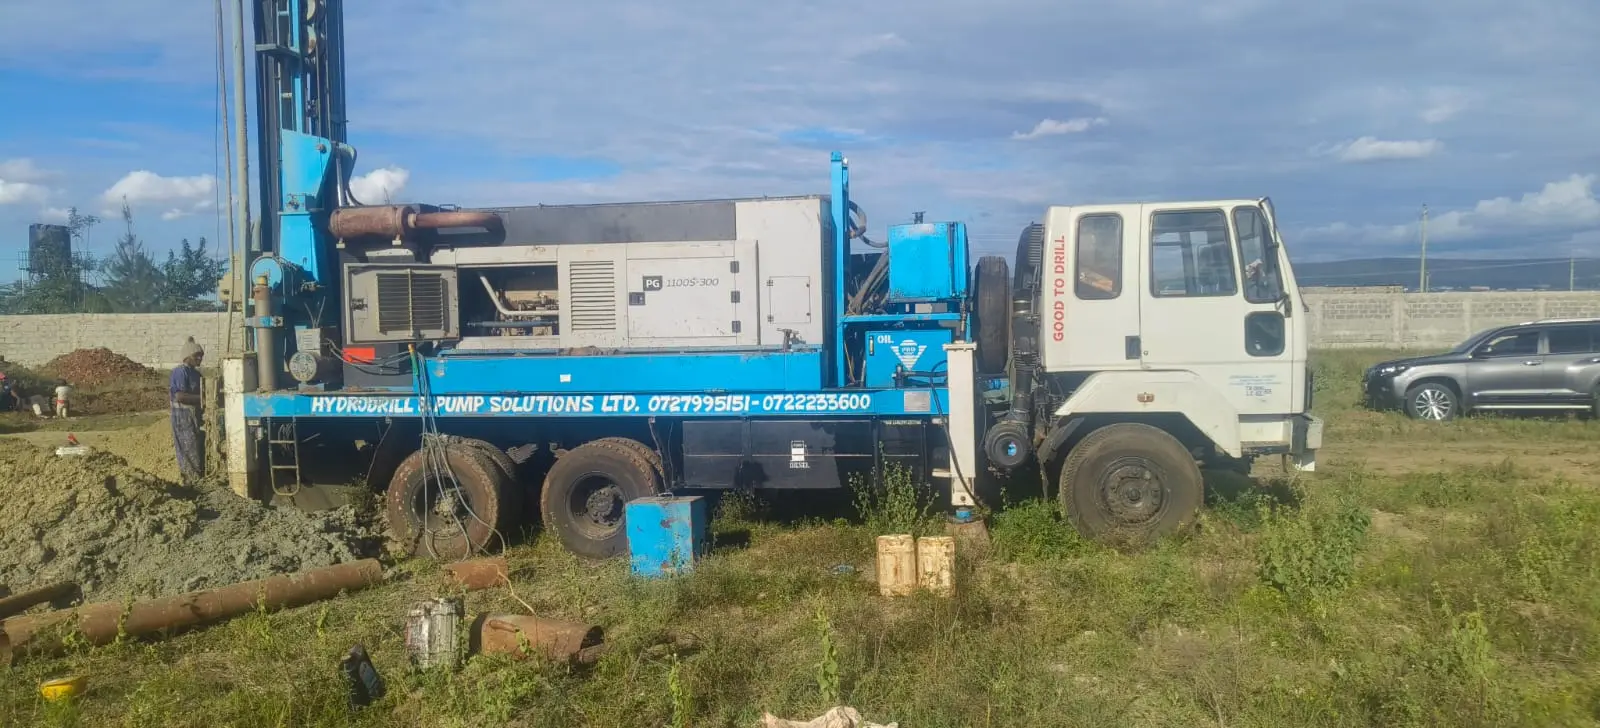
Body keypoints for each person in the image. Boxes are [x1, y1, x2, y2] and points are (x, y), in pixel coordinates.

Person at [171, 337, 207, 485]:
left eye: (201, 356)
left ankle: (198, 477)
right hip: (183, 416)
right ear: (187, 356)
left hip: (195, 414)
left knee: (197, 447)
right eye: (196, 356)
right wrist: (204, 399)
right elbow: (180, 396)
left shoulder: (196, 374)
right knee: (188, 448)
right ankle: (190, 480)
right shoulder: (180, 372)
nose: (200, 359)